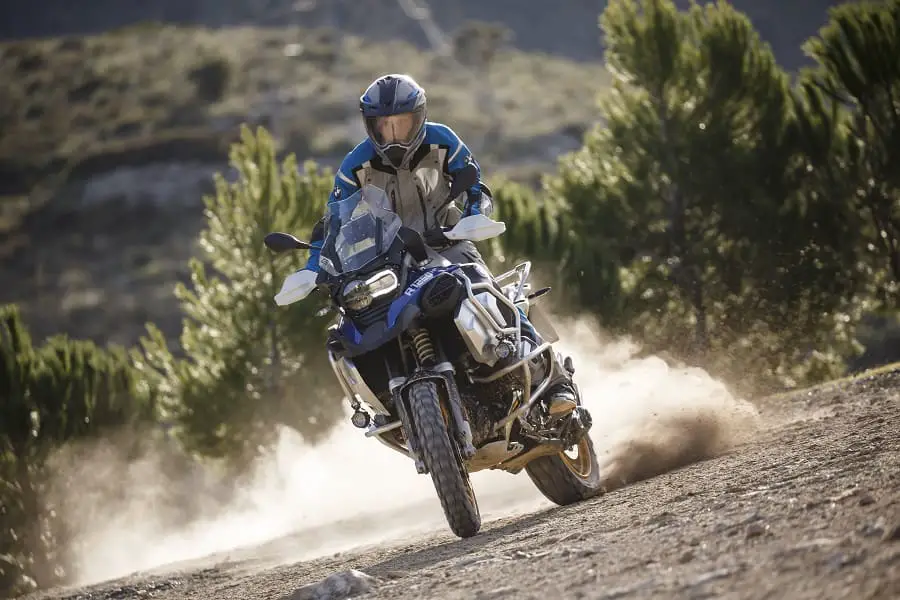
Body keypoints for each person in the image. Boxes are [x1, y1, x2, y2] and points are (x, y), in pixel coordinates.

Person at [304, 73, 578, 415]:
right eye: (383, 126)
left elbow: (475, 184)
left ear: (418, 118)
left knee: (481, 285)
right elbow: (334, 221)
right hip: (391, 260)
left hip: (447, 239)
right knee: (373, 320)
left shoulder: (441, 139)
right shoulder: (354, 165)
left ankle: (555, 386)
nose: (392, 135)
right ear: (370, 126)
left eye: (401, 124)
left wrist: (473, 217)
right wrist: (314, 268)